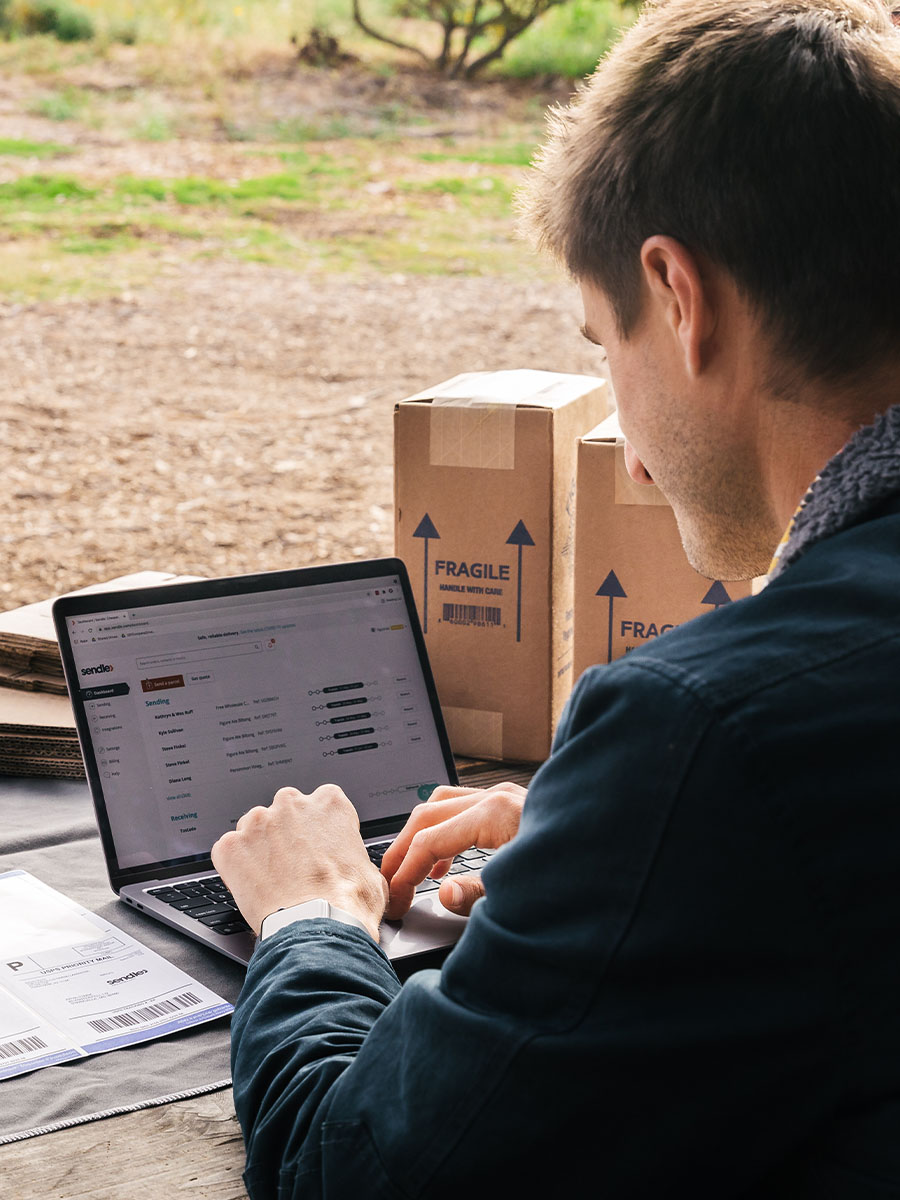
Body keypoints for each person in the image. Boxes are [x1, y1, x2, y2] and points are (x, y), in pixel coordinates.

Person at [210, 0, 900, 1194]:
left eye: (601, 343)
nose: (628, 446)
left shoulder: (705, 731)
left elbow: (358, 1170)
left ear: (679, 298)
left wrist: (311, 920)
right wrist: (634, 862)